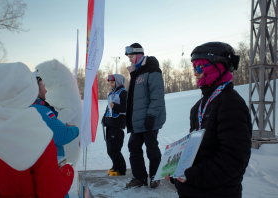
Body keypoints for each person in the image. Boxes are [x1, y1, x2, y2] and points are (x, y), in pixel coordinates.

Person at [165, 42, 252, 198]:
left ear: (220, 66)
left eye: (200, 67)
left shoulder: (231, 103)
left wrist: (190, 175)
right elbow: (197, 148)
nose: (195, 73)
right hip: (193, 191)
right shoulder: (199, 105)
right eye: (194, 68)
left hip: (217, 193)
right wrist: (175, 167)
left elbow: (233, 159)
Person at [0, 62, 74, 198]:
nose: (46, 90)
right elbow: (52, 194)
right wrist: (68, 171)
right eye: (43, 87)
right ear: (29, 91)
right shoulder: (38, 136)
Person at [125, 43, 166, 188]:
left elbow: (157, 95)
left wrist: (151, 115)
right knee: (133, 146)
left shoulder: (152, 69)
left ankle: (155, 176)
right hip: (137, 121)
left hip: (149, 119)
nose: (130, 60)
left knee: (151, 147)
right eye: (128, 57)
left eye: (131, 56)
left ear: (138, 55)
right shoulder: (135, 72)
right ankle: (139, 177)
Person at [31, 77, 79, 158]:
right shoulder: (40, 110)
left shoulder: (26, 107)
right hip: (47, 161)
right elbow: (63, 135)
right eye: (43, 87)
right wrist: (75, 129)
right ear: (36, 90)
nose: (46, 90)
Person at [102, 74, 127, 176]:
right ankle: (115, 166)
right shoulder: (111, 94)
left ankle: (121, 169)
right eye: (110, 83)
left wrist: (115, 106)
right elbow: (108, 108)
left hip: (117, 124)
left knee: (114, 149)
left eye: (112, 83)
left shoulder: (123, 93)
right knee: (109, 149)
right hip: (110, 124)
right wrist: (104, 118)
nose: (111, 85)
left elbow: (126, 108)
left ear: (118, 82)